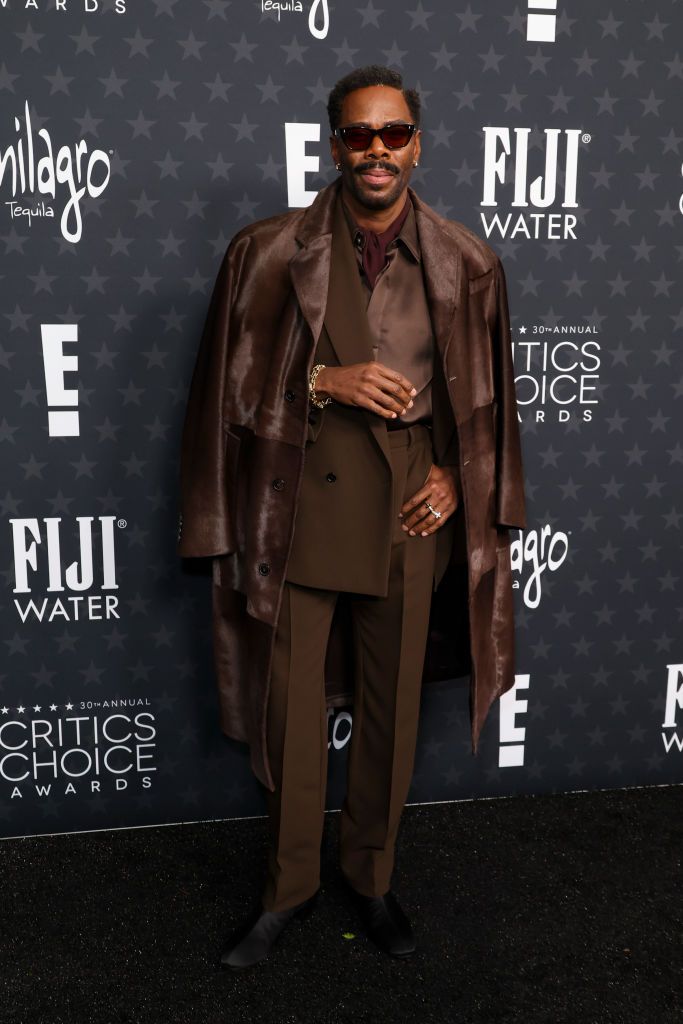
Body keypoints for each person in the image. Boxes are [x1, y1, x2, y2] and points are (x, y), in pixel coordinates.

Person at [177, 65, 527, 970]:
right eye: (358, 135)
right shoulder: (265, 250)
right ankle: (286, 892)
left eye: (394, 134)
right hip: (299, 503)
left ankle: (369, 878)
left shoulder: (467, 260)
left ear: (418, 143)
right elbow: (224, 390)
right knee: (290, 715)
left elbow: (485, 401)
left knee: (388, 716)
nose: (377, 152)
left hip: (412, 506)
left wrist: (453, 472)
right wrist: (319, 380)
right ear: (333, 144)